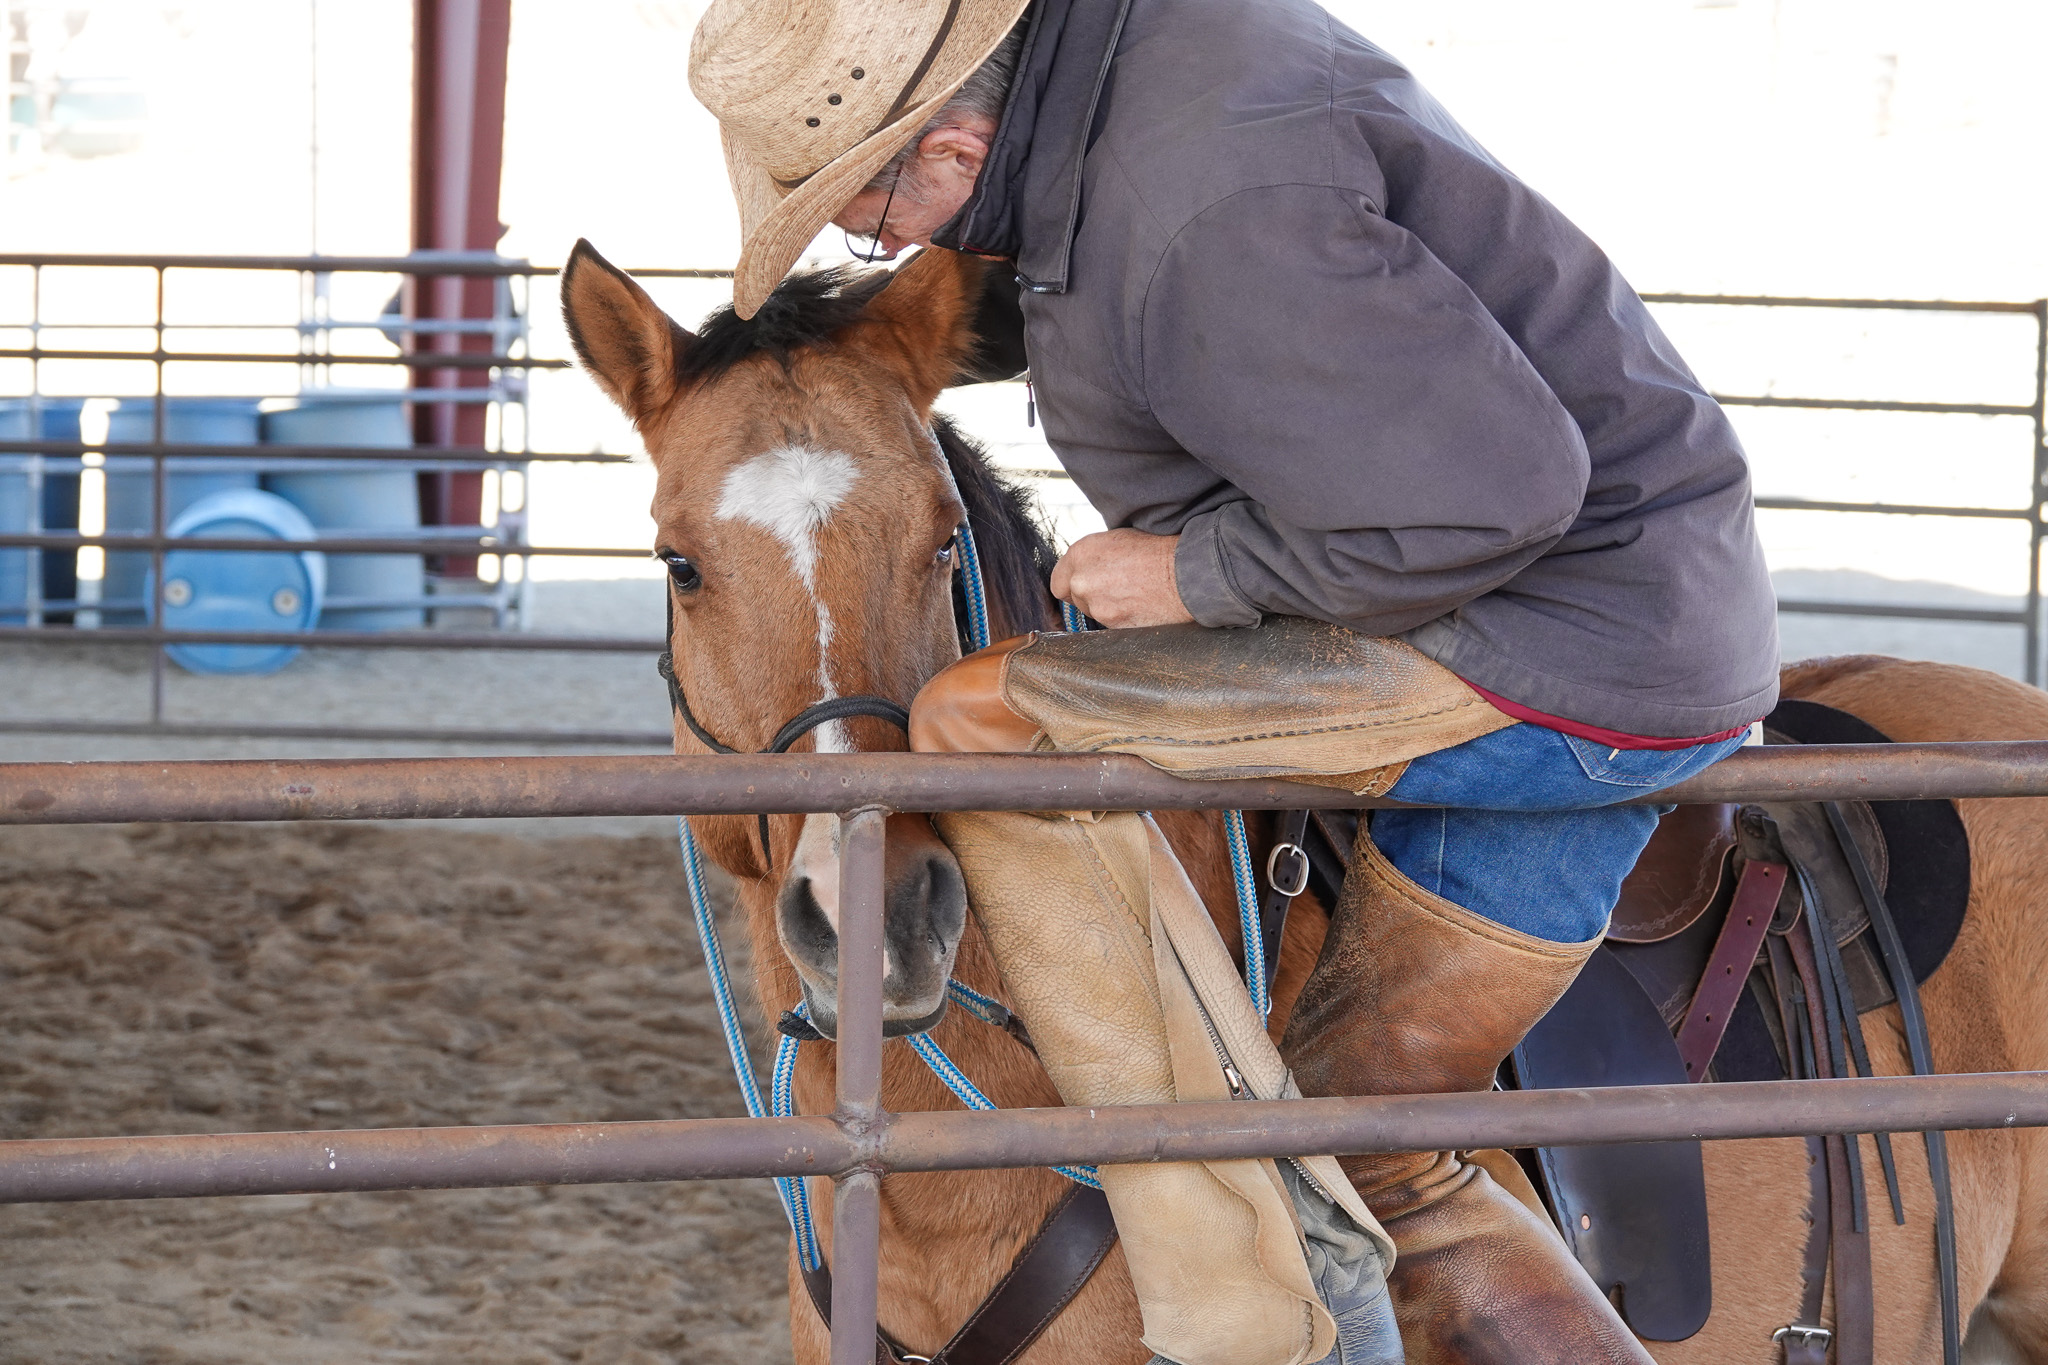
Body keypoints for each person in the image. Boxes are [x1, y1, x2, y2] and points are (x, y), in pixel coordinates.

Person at [689, 2, 1778, 1363]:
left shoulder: (1210, 208)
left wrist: (1193, 574)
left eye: (867, 217)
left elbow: (1493, 498)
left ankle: (1190, 1134)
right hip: (1575, 602)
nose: (886, 245)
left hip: (1558, 647)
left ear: (955, 146)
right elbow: (1116, 287)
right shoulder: (1126, 76)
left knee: (988, 724)